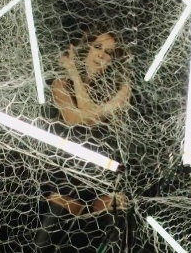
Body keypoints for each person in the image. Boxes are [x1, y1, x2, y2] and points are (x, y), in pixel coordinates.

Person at [34, 28, 132, 252]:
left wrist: (75, 74)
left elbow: (86, 118)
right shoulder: (61, 83)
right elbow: (74, 120)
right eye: (97, 47)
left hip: (105, 176)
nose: (102, 55)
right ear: (86, 49)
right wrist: (75, 75)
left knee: (115, 240)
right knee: (44, 245)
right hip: (70, 174)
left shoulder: (122, 90)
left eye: (109, 53)